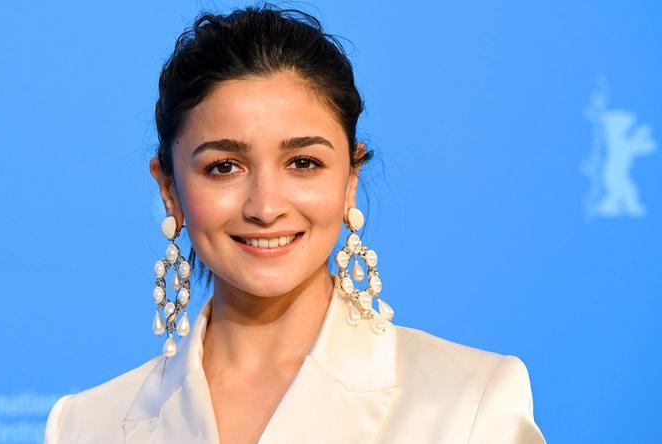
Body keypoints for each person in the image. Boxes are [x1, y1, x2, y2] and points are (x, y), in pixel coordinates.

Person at [43, 4, 546, 443]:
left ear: (350, 178)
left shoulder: (470, 403)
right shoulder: (86, 425)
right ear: (169, 188)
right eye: (224, 167)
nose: (265, 207)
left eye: (303, 163)